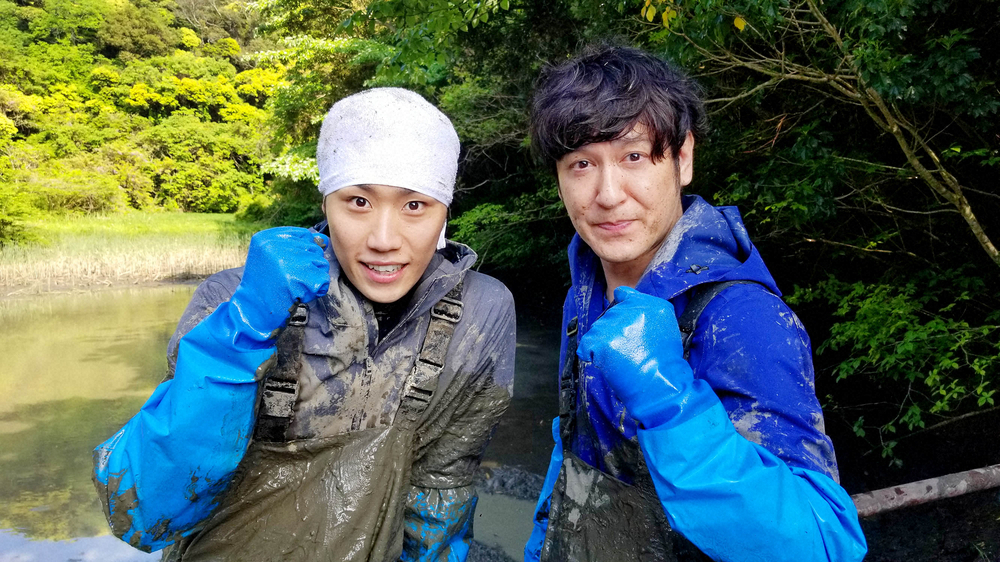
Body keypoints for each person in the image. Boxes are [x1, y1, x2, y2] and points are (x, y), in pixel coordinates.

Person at [92, 88, 516, 562]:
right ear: (326, 202)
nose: (383, 239)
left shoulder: (480, 313)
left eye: (414, 206)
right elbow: (143, 513)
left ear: (445, 212)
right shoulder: (230, 299)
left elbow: (441, 491)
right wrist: (240, 332)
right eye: (358, 201)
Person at [523, 45, 867, 562]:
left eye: (634, 157)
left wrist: (669, 401)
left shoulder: (743, 318)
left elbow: (823, 544)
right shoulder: (585, 292)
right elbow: (575, 446)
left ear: (682, 158)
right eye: (582, 164)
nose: (608, 194)